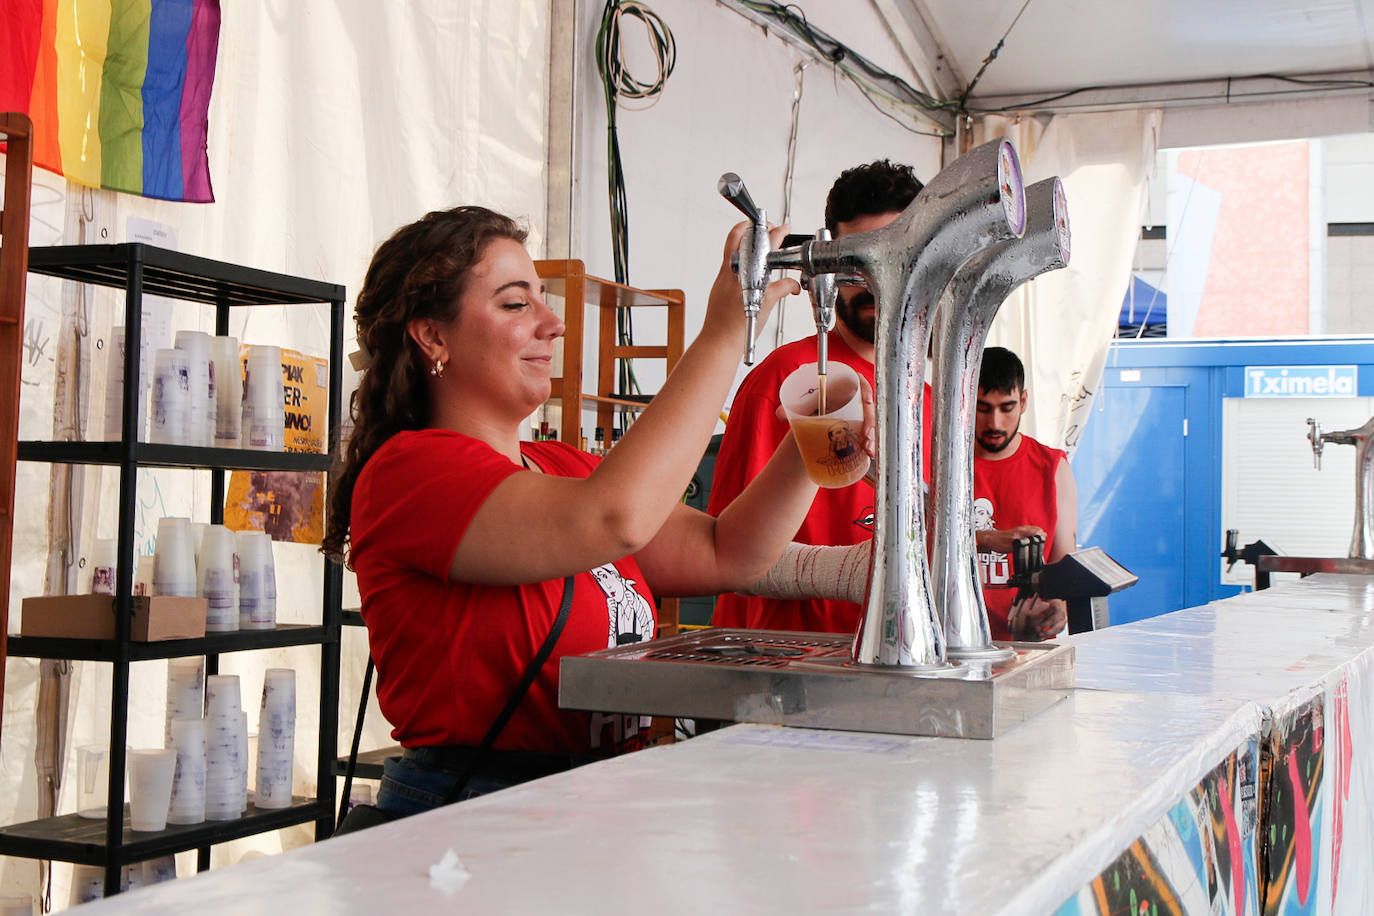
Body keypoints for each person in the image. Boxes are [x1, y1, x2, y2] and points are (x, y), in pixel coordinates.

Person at [322, 206, 873, 819]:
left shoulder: (565, 468)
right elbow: (617, 519)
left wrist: (809, 445)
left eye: (543, 299)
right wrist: (723, 333)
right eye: (515, 304)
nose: (553, 324)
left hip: (588, 805)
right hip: (478, 821)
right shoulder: (410, 474)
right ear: (433, 335)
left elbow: (728, 550)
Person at [707, 160, 927, 634]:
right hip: (785, 672)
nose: (870, 281)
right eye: (855, 263)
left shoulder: (927, 396)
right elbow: (722, 553)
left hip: (894, 665)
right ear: (826, 264)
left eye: (889, 260)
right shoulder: (785, 380)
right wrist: (855, 571)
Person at [972, 346, 1075, 641]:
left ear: (1024, 401)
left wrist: (1058, 607)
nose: (995, 423)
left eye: (1007, 408)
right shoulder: (940, 463)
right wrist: (990, 539)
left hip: (1029, 650)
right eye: (983, 408)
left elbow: (1064, 564)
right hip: (955, 645)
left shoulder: (1053, 467)